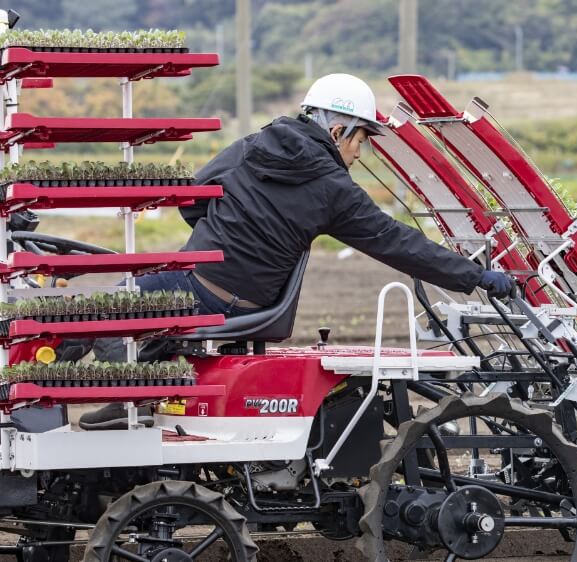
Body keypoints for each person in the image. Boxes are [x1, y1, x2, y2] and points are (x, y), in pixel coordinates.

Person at [79, 74, 513, 429]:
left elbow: (192, 198)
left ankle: (122, 406)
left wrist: (218, 235)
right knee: (131, 309)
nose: (359, 153)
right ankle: (138, 400)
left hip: (203, 286)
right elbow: (400, 244)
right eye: (361, 140)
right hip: (252, 300)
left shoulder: (252, 147)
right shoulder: (335, 190)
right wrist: (475, 276)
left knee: (100, 311)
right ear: (337, 129)